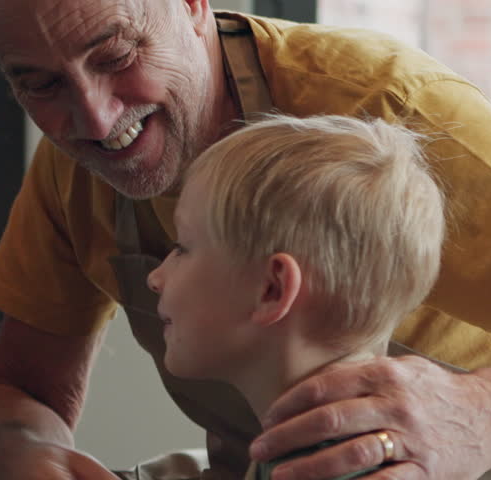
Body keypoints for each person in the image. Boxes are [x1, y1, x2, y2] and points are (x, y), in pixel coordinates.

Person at [0, 0, 491, 478]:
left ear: (193, 6)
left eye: (117, 55)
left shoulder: (401, 109)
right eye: (41, 84)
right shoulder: (73, 167)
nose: (97, 121)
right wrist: (24, 454)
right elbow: (19, 397)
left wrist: (477, 415)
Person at [146, 114, 446, 479]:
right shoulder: (336, 446)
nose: (155, 277)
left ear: (271, 290)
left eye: (182, 247)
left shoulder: (316, 466)